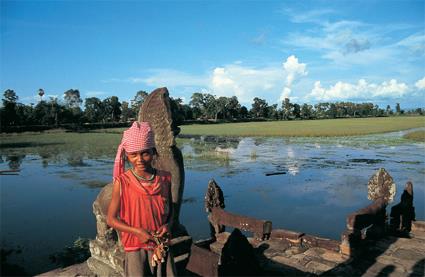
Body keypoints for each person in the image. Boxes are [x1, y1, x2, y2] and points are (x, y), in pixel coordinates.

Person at [107, 121, 176, 276]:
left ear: (153, 151)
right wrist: (136, 231)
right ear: (127, 155)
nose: (140, 159)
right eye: (133, 154)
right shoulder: (122, 182)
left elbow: (170, 210)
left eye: (145, 153)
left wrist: (168, 225)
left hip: (161, 245)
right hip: (135, 247)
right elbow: (111, 219)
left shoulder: (165, 178)